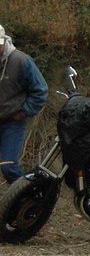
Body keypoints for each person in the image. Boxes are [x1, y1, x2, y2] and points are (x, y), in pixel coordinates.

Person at [0, 23, 49, 183]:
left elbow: (40, 90)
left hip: (12, 122)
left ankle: (29, 193)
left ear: (4, 41)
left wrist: (23, 112)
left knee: (8, 166)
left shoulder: (21, 61)